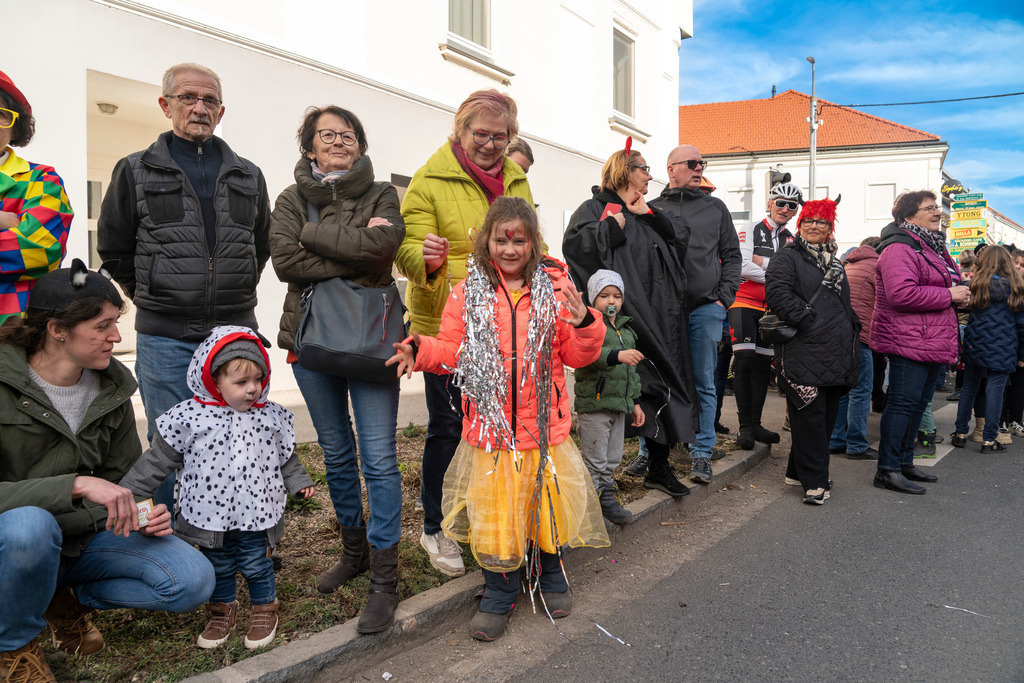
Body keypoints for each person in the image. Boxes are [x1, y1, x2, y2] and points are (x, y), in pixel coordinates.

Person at [387, 196, 608, 641]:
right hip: (491, 434)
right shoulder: (467, 292)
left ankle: (550, 571)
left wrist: (586, 321)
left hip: (544, 431)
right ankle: (499, 588)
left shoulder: (555, 285)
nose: (510, 249)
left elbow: (576, 354)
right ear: (487, 241)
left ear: (532, 243)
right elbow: (453, 350)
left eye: (519, 240)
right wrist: (421, 350)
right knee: (497, 515)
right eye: (501, 239)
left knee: (544, 511)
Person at [0, 260, 214, 682]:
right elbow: (81, 492)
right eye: (102, 326)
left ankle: (59, 600)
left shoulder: (112, 388)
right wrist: (76, 486)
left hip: (80, 542)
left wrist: (142, 513)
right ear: (57, 329)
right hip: (13, 542)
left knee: (192, 580)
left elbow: (123, 482)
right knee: (30, 527)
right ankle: (14, 647)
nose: (116, 337)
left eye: (116, 323)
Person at [97, 63, 271, 514]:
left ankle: (238, 539)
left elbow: (261, 245)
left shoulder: (248, 174)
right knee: (170, 443)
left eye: (209, 100)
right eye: (188, 98)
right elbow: (114, 248)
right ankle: (174, 546)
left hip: (235, 334)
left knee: (241, 437)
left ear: (221, 110)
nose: (199, 107)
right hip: (166, 335)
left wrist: (237, 288)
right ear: (165, 105)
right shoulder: (135, 170)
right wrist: (153, 294)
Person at [268, 105, 405, 633]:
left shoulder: (383, 194)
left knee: (379, 459)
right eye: (328, 135)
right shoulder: (289, 198)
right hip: (311, 344)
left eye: (348, 135)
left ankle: (385, 583)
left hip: (373, 343)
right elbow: (285, 263)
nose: (339, 142)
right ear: (310, 146)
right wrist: (357, 252)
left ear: (360, 144)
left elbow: (384, 249)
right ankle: (354, 554)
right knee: (337, 454)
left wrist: (313, 233)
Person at [396, 90, 532, 579]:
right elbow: (405, 249)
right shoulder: (429, 178)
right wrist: (424, 258)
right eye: (481, 134)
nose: (491, 145)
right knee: (450, 430)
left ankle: (485, 517)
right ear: (460, 130)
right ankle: (436, 527)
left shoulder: (514, 176)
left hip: (508, 326)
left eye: (500, 136)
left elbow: (526, 242)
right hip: (450, 327)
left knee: (498, 428)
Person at [120, 326, 313, 650]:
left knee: (256, 562)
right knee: (217, 564)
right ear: (213, 380)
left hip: (256, 511)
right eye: (241, 382)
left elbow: (285, 457)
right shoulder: (191, 418)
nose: (252, 389)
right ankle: (222, 611)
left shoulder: (268, 417)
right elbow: (158, 461)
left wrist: (299, 482)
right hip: (209, 514)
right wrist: (128, 492)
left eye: (258, 379)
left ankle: (265, 609)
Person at [563, 139, 698, 498]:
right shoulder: (594, 208)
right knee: (630, 390)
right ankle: (598, 485)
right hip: (622, 322)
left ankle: (658, 467)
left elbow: (680, 240)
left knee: (664, 387)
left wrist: (647, 216)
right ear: (626, 171)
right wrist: (613, 225)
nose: (650, 177)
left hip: (661, 317)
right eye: (645, 170)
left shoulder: (646, 211)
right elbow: (576, 247)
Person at [649, 144, 740, 484]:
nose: (699, 168)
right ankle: (651, 453)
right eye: (692, 163)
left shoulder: (715, 208)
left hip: (705, 308)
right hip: (663, 312)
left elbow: (732, 256)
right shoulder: (652, 209)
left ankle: (702, 453)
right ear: (672, 169)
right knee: (658, 380)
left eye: (703, 162)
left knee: (703, 381)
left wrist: (723, 300)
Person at [871, 191, 967, 494]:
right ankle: (887, 469)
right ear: (908, 217)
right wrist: (950, 295)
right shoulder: (900, 248)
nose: (938, 212)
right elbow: (901, 294)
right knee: (902, 405)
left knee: (916, 406)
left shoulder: (932, 247)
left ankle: (904, 463)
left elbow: (948, 284)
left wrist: (962, 294)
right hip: (908, 340)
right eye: (929, 208)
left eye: (936, 207)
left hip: (929, 340)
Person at [765, 198, 860, 505]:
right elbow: (778, 294)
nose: (815, 226)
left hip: (835, 351)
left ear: (830, 227)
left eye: (822, 222)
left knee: (827, 416)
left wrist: (852, 326)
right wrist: (809, 321)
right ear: (800, 225)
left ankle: (797, 471)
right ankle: (815, 482)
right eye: (809, 221)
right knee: (810, 417)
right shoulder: (788, 257)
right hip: (802, 349)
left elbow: (843, 303)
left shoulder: (835, 261)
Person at [730, 182, 803, 450]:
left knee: (763, 368)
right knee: (745, 360)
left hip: (772, 308)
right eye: (780, 202)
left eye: (791, 205)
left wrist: (763, 264)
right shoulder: (750, 228)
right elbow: (743, 265)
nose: (785, 208)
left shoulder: (793, 240)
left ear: (796, 211)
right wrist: (777, 275)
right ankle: (744, 427)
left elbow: (794, 276)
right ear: (769, 203)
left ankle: (756, 423)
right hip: (743, 302)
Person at [0, 69, 73, 324]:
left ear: (15, 126)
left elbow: (40, 251)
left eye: (0, 115)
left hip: (14, 328)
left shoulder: (41, 179)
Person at [574, 269, 644, 525]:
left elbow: (632, 373)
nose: (611, 301)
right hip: (595, 404)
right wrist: (616, 356)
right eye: (604, 296)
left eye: (616, 296)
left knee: (612, 459)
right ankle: (584, 514)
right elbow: (587, 356)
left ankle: (605, 500)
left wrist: (635, 403)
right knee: (595, 461)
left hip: (618, 405)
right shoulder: (589, 326)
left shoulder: (626, 331)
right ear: (593, 300)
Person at [949, 246, 1024, 451]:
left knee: (969, 388)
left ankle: (960, 432)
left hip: (976, 342)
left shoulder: (975, 285)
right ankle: (989, 439)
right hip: (1004, 345)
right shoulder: (1016, 288)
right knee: (995, 391)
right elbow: (1022, 325)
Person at [828, 235, 880, 459]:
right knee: (861, 392)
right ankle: (857, 444)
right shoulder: (877, 267)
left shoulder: (848, 264)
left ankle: (836, 440)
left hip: (839, 334)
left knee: (843, 391)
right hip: (861, 334)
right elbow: (884, 304)